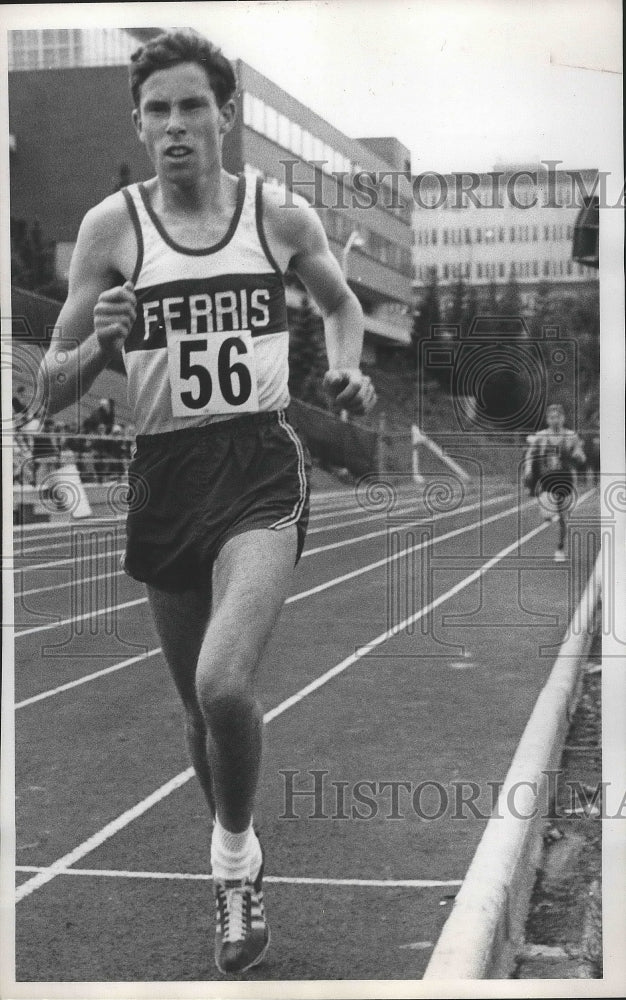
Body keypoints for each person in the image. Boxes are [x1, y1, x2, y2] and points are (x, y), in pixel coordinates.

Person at [38, 29, 375, 975]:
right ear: (139, 124)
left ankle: (233, 866)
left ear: (226, 114)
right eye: (159, 111)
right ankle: (236, 846)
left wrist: (345, 372)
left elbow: (342, 306)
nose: (177, 126)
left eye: (194, 106)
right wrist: (102, 348)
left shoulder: (279, 216)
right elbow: (45, 392)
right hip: (163, 475)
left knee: (225, 681)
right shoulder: (114, 229)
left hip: (259, 466)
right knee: (196, 705)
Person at [524, 403, 586, 561]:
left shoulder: (571, 436)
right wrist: (528, 469)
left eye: (558, 417)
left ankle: (560, 548)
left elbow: (580, 454)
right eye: (552, 417)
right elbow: (530, 455)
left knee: (564, 516)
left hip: (565, 478)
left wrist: (579, 455)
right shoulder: (541, 436)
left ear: (563, 418)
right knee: (547, 512)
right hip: (547, 479)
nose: (555, 420)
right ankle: (550, 516)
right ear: (547, 419)